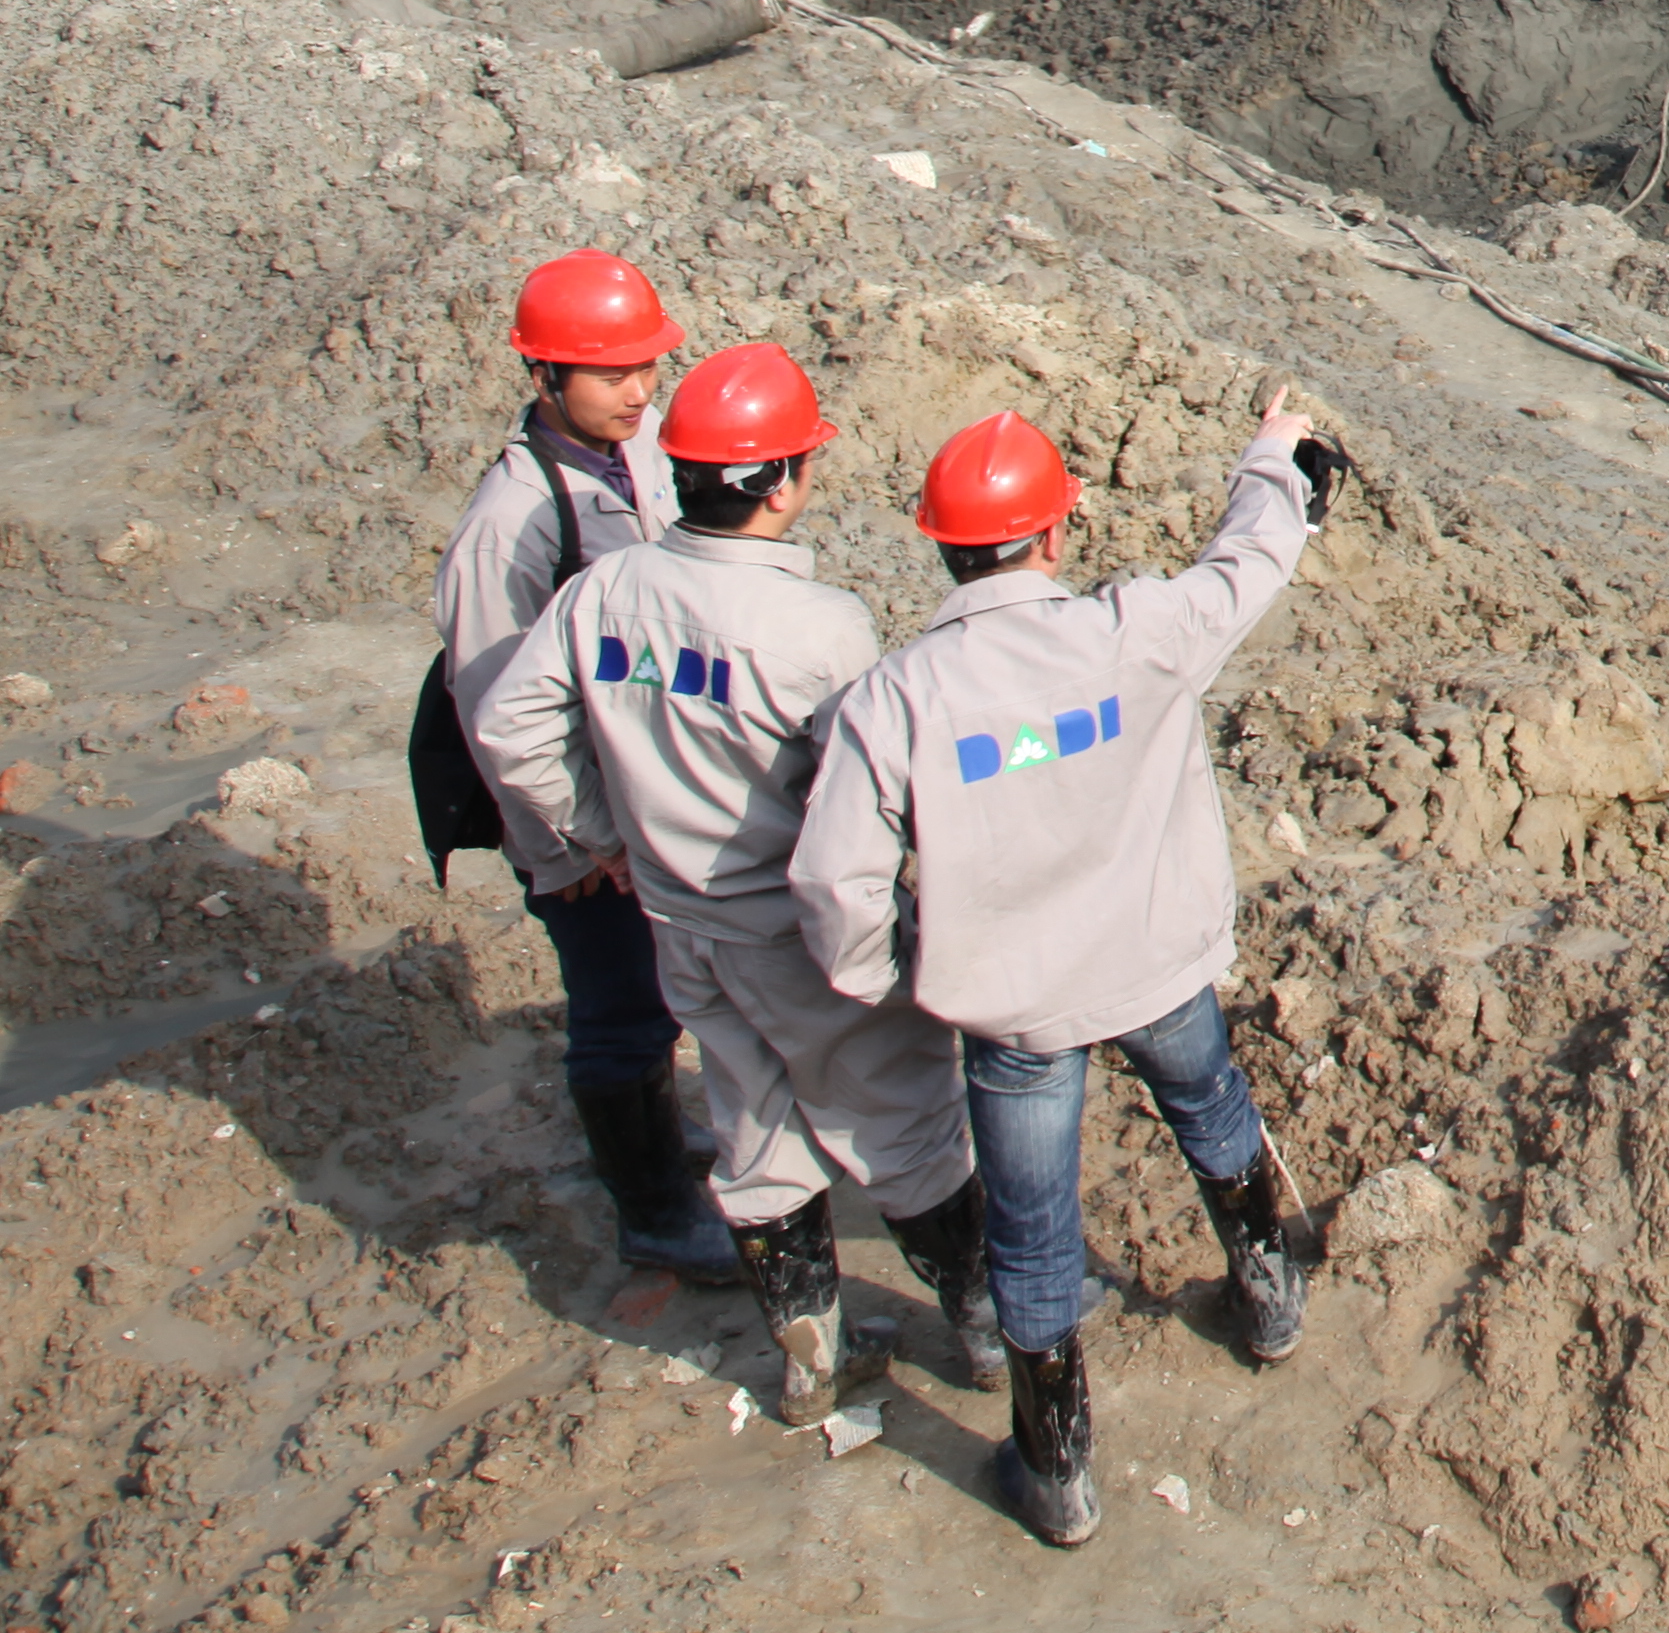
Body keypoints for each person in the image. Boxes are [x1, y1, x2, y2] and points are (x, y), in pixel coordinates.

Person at [793, 400, 1341, 1549]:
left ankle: (1057, 1470)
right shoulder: (1132, 632)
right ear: (1055, 534)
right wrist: (1271, 457)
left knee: (1034, 1234)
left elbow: (836, 881)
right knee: (1213, 1111)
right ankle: (1269, 1297)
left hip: (1018, 1017)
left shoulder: (899, 697)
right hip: (1155, 968)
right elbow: (1248, 562)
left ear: (941, 545)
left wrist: (891, 973)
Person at [470, 344, 1001, 1425]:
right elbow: (879, 799)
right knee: (901, 1122)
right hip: (793, 930)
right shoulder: (820, 632)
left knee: (756, 1134)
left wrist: (598, 832)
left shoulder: (605, 590)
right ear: (782, 482)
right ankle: (988, 1327)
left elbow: (507, 724)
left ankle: (811, 1360)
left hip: (681, 923)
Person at [429, 251, 732, 1283]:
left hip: (637, 798)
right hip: (579, 823)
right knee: (614, 1008)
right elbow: (495, 714)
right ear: (543, 379)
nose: (640, 392)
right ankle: (651, 1207)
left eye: (647, 367)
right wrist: (568, 846)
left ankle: (656, 1140)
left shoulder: (637, 450)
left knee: (656, 990)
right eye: (611, 376)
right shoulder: (511, 525)